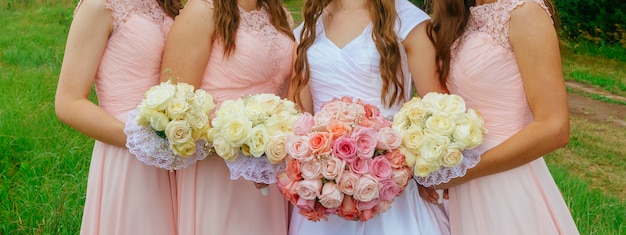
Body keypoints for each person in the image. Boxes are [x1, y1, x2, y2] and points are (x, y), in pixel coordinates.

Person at [287, 0, 450, 234]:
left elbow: (437, 110)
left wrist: (430, 173)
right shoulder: (310, 26)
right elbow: (298, 114)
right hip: (324, 186)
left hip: (392, 185)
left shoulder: (408, 21)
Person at [422, 0, 580, 234]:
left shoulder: (526, 13)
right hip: (465, 189)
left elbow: (554, 128)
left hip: (506, 182)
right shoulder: (463, 19)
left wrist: (460, 172)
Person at [159, 0, 295, 234]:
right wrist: (242, 143)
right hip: (219, 169)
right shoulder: (202, 10)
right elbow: (178, 107)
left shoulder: (278, 13)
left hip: (272, 161)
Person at [55, 0, 181, 234]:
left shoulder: (165, 4)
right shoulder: (99, 6)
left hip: (174, 147)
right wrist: (140, 141)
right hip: (126, 148)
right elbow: (68, 102)